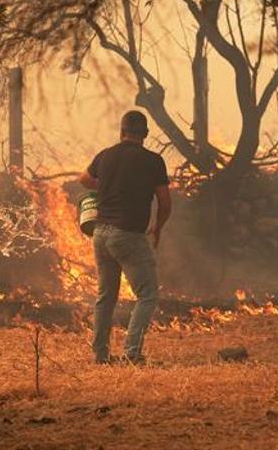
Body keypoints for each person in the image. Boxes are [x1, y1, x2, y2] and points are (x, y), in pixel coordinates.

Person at [79, 110, 172, 365]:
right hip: (128, 234)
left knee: (106, 296)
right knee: (148, 294)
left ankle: (100, 355)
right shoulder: (153, 161)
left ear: (121, 132)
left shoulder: (106, 155)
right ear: (145, 135)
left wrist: (109, 186)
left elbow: (84, 179)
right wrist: (158, 227)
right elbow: (165, 202)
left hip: (100, 234)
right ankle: (132, 353)